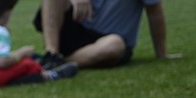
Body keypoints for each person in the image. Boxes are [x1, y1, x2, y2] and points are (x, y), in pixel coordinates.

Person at [0, 0, 78, 91]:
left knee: (15, 69)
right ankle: (50, 75)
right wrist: (22, 53)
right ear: (7, 13)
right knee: (27, 64)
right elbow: (2, 62)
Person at [34, 0, 174, 69]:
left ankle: (59, 63)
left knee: (115, 44)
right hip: (78, 29)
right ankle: (51, 54)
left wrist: (161, 53)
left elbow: (154, 11)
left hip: (108, 41)